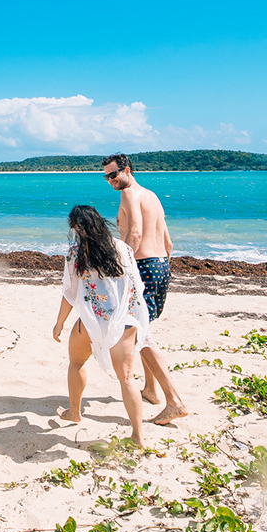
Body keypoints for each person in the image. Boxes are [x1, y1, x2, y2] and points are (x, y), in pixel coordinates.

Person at [52, 204, 150, 447]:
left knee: (76, 362)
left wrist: (60, 322)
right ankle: (137, 436)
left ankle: (74, 411)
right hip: (124, 321)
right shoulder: (123, 248)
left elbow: (70, 293)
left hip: (91, 320)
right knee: (127, 378)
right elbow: (136, 285)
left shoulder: (75, 252)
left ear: (76, 227)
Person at [104, 152, 188, 424]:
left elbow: (136, 233)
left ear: (127, 170)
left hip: (142, 265)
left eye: (114, 174)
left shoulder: (129, 195)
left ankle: (174, 400)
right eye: (106, 176)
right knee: (142, 328)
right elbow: (168, 241)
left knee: (137, 331)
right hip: (160, 264)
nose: (110, 180)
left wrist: (121, 266)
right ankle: (151, 390)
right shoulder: (151, 195)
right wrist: (161, 266)